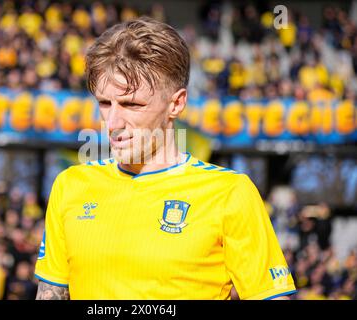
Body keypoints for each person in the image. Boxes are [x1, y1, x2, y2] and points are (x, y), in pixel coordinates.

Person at [34, 17, 296, 300]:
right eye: (104, 103)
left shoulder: (230, 193)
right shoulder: (70, 185)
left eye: (131, 104)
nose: (113, 122)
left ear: (176, 103)